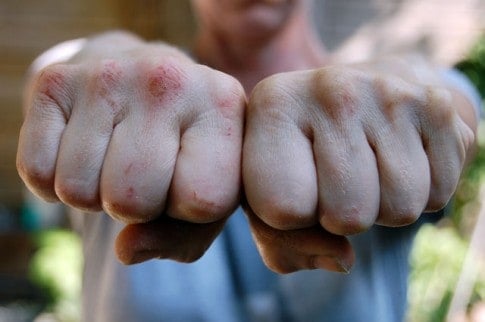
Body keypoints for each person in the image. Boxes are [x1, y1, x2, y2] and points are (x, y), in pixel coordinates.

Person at [16, 0, 481, 321]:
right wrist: (124, 62)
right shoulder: (119, 100)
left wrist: (394, 83)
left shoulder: (390, 100)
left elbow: (449, 106)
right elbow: (67, 68)